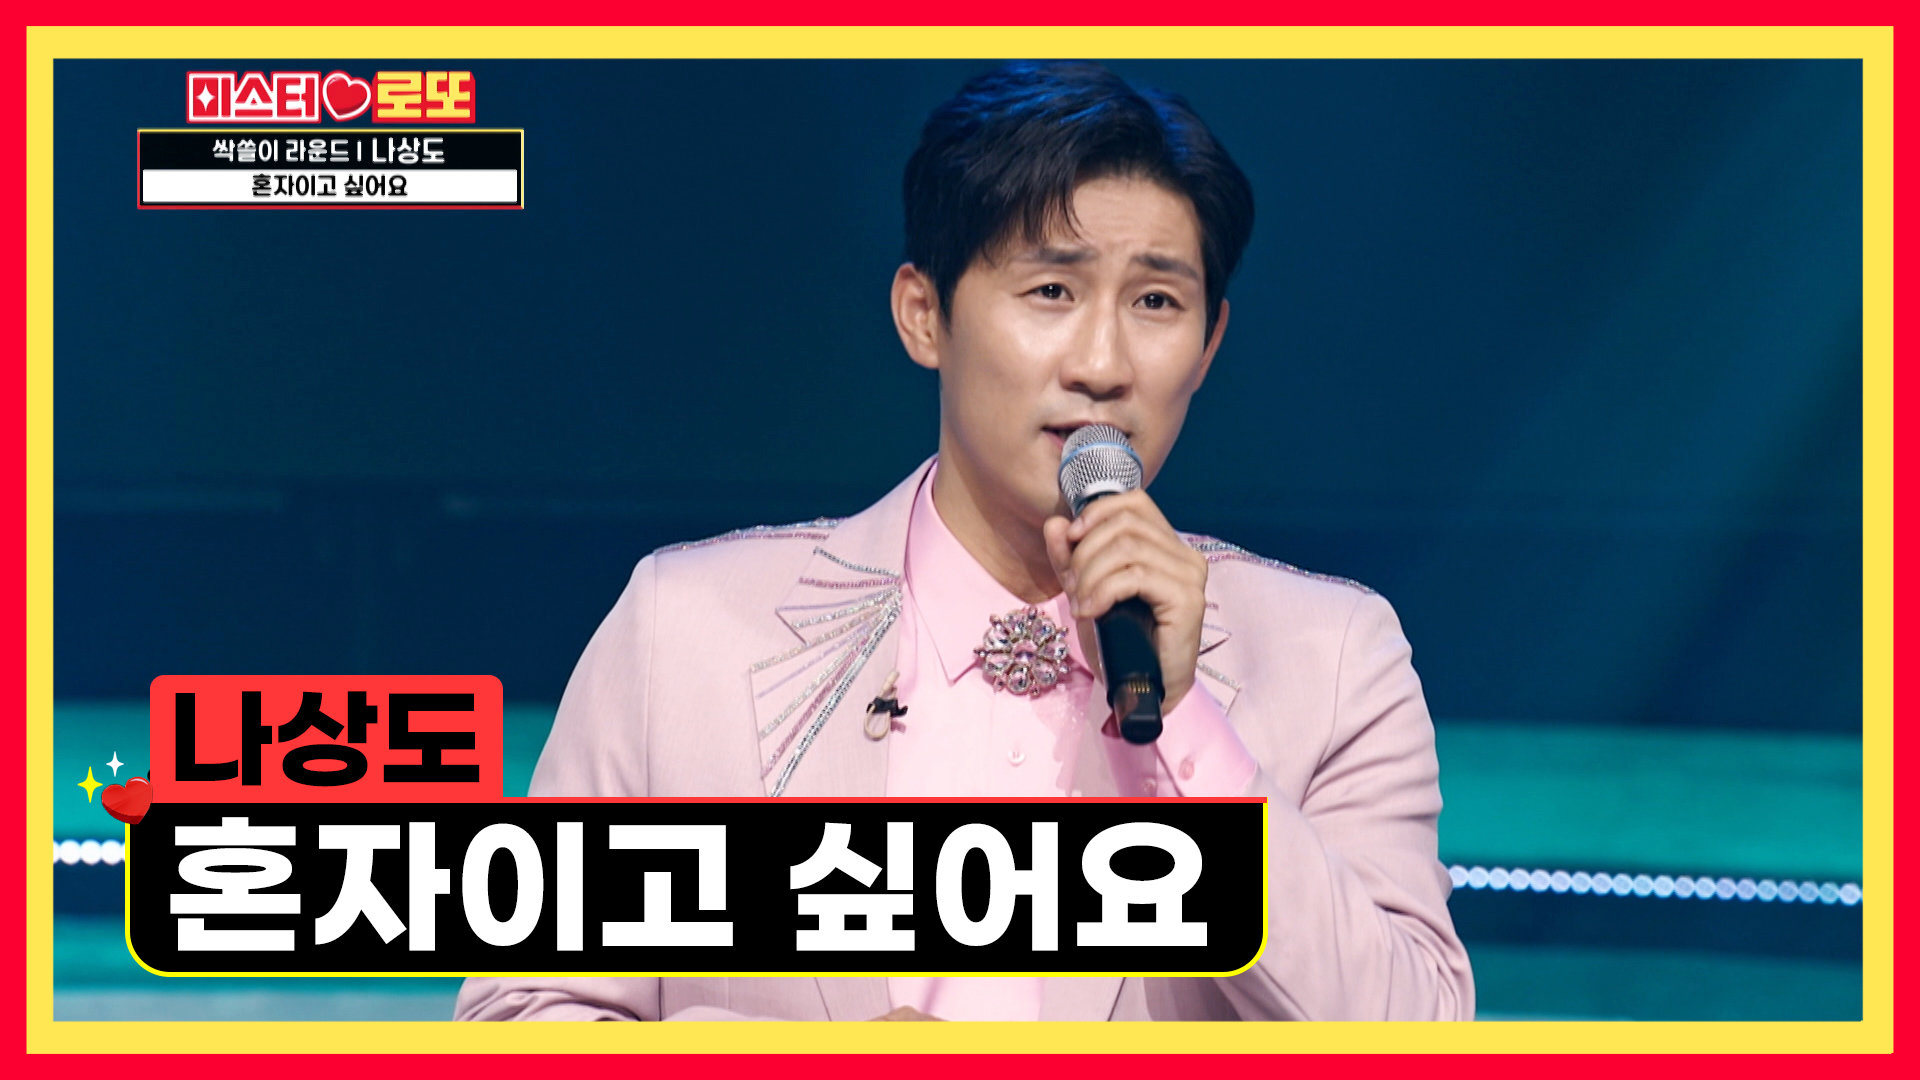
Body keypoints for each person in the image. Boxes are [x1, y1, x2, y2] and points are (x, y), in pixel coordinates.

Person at [455, 60, 1473, 1022]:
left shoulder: (1333, 659)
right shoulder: (685, 633)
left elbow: (1418, 1029)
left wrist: (1184, 724)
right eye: (1052, 291)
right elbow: (525, 1014)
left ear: (1208, 346)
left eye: (1157, 302)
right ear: (924, 315)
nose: (1103, 362)